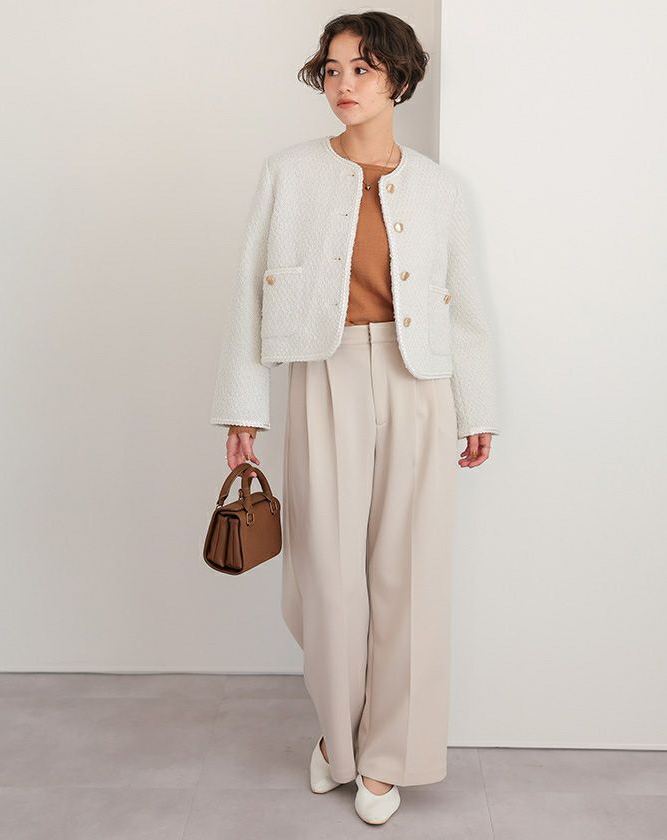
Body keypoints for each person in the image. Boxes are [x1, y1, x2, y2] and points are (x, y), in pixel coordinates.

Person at [209, 11, 500, 826]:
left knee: (411, 576)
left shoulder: (440, 188)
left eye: (362, 69)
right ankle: (339, 739)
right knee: (327, 578)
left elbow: (466, 308)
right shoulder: (289, 173)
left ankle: (387, 758)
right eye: (332, 69)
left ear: (398, 79)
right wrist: (243, 409)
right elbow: (247, 289)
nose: (343, 84)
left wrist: (477, 407)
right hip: (324, 370)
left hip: (420, 380)